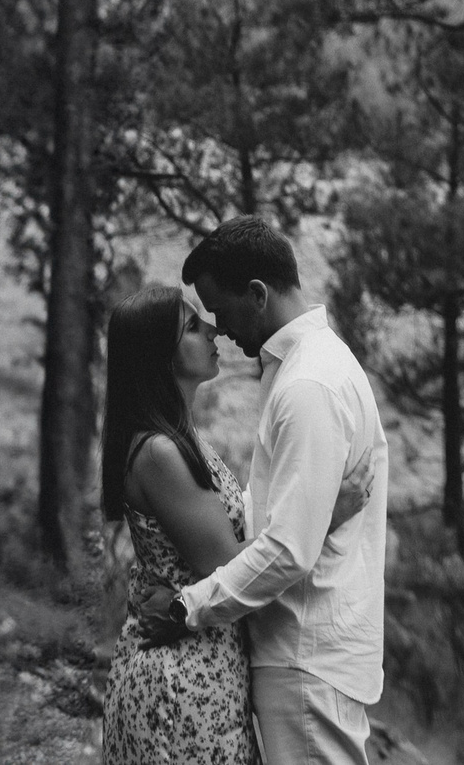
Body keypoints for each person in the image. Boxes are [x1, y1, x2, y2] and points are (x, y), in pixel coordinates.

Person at [138, 216, 390, 765]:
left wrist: (187, 607)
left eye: (221, 309)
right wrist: (320, 516)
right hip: (310, 652)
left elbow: (289, 551)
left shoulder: (307, 386)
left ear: (257, 294)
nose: (220, 329)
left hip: (306, 654)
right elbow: (286, 522)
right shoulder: (315, 366)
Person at [99, 284, 256, 765]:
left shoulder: (175, 439)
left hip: (198, 672)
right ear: (159, 357)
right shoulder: (161, 452)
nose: (212, 328)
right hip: (182, 686)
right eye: (192, 326)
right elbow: (236, 573)